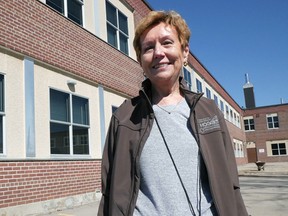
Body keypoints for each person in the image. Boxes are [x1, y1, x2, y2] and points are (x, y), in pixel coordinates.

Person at [98, 10, 248, 216]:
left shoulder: (209, 111)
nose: (158, 52)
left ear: (184, 52)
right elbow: (110, 190)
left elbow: (230, 183)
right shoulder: (124, 117)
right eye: (148, 47)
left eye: (167, 43)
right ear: (141, 60)